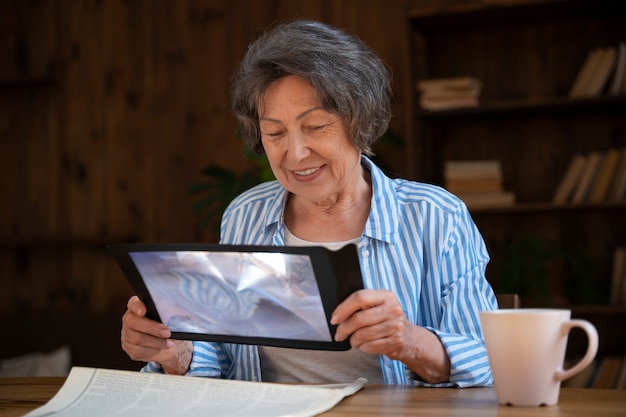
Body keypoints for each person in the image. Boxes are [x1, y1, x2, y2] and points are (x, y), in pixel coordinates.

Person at [121, 19, 498, 387]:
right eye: (275, 132)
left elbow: (489, 360)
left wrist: (411, 342)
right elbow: (224, 354)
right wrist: (175, 352)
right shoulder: (245, 214)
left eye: (316, 126)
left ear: (359, 121)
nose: (296, 153)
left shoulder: (435, 216)